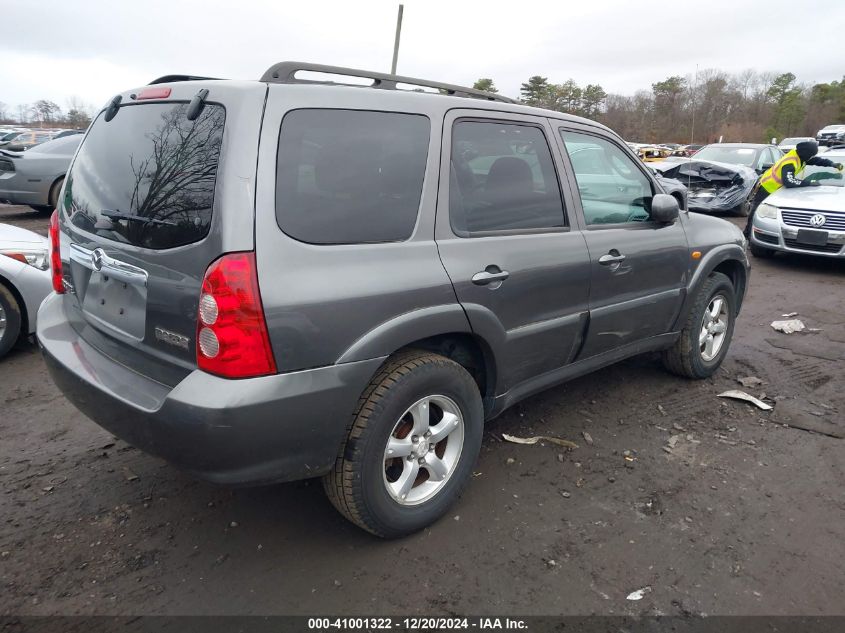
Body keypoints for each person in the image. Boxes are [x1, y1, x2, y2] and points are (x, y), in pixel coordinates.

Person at [743, 140, 844, 238]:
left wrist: (831, 164)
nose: (811, 157)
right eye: (810, 155)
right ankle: (747, 234)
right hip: (767, 188)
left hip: (779, 191)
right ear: (805, 153)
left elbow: (816, 161)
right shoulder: (790, 162)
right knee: (757, 213)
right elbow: (789, 181)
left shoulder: (801, 156)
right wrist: (809, 183)